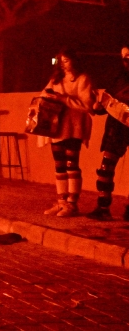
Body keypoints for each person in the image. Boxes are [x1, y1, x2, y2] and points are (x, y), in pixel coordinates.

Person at [41, 49, 94, 218]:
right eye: (61, 61)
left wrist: (63, 99)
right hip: (56, 127)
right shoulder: (56, 79)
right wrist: (48, 96)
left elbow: (87, 106)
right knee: (59, 165)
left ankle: (72, 204)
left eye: (66, 60)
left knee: (72, 164)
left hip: (74, 127)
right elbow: (44, 93)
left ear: (74, 60)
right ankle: (62, 201)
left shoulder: (82, 78)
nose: (63, 64)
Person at [86, 46, 129, 221]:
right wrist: (97, 107)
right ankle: (103, 206)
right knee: (106, 166)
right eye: (125, 58)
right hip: (116, 128)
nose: (127, 61)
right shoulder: (119, 78)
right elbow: (109, 102)